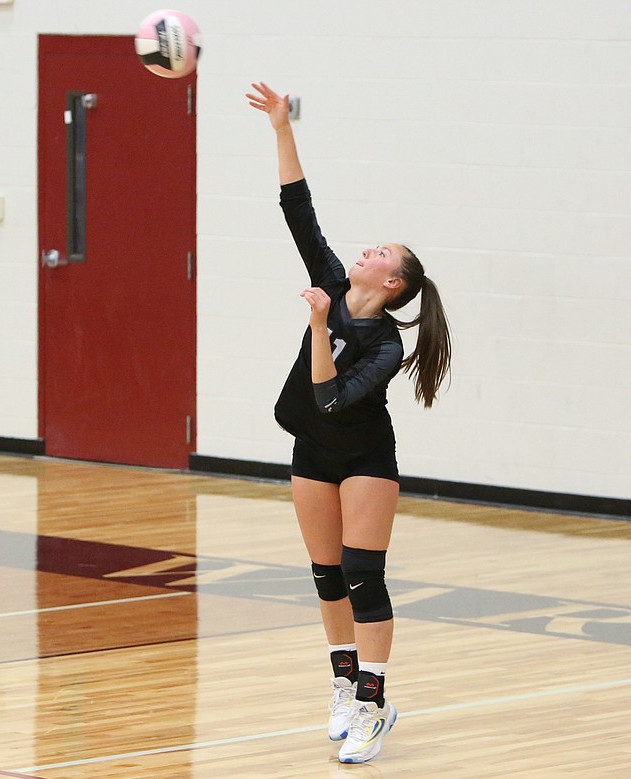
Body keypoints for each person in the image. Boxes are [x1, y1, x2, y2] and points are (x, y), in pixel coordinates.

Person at [246, 81, 452, 764]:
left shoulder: (387, 344)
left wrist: (314, 326)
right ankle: (342, 686)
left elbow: (333, 399)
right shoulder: (332, 281)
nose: (368, 251)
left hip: (364, 456)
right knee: (325, 572)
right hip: (313, 450)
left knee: (364, 573)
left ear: (395, 282)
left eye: (383, 253)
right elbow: (298, 211)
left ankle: (374, 701)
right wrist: (281, 128)